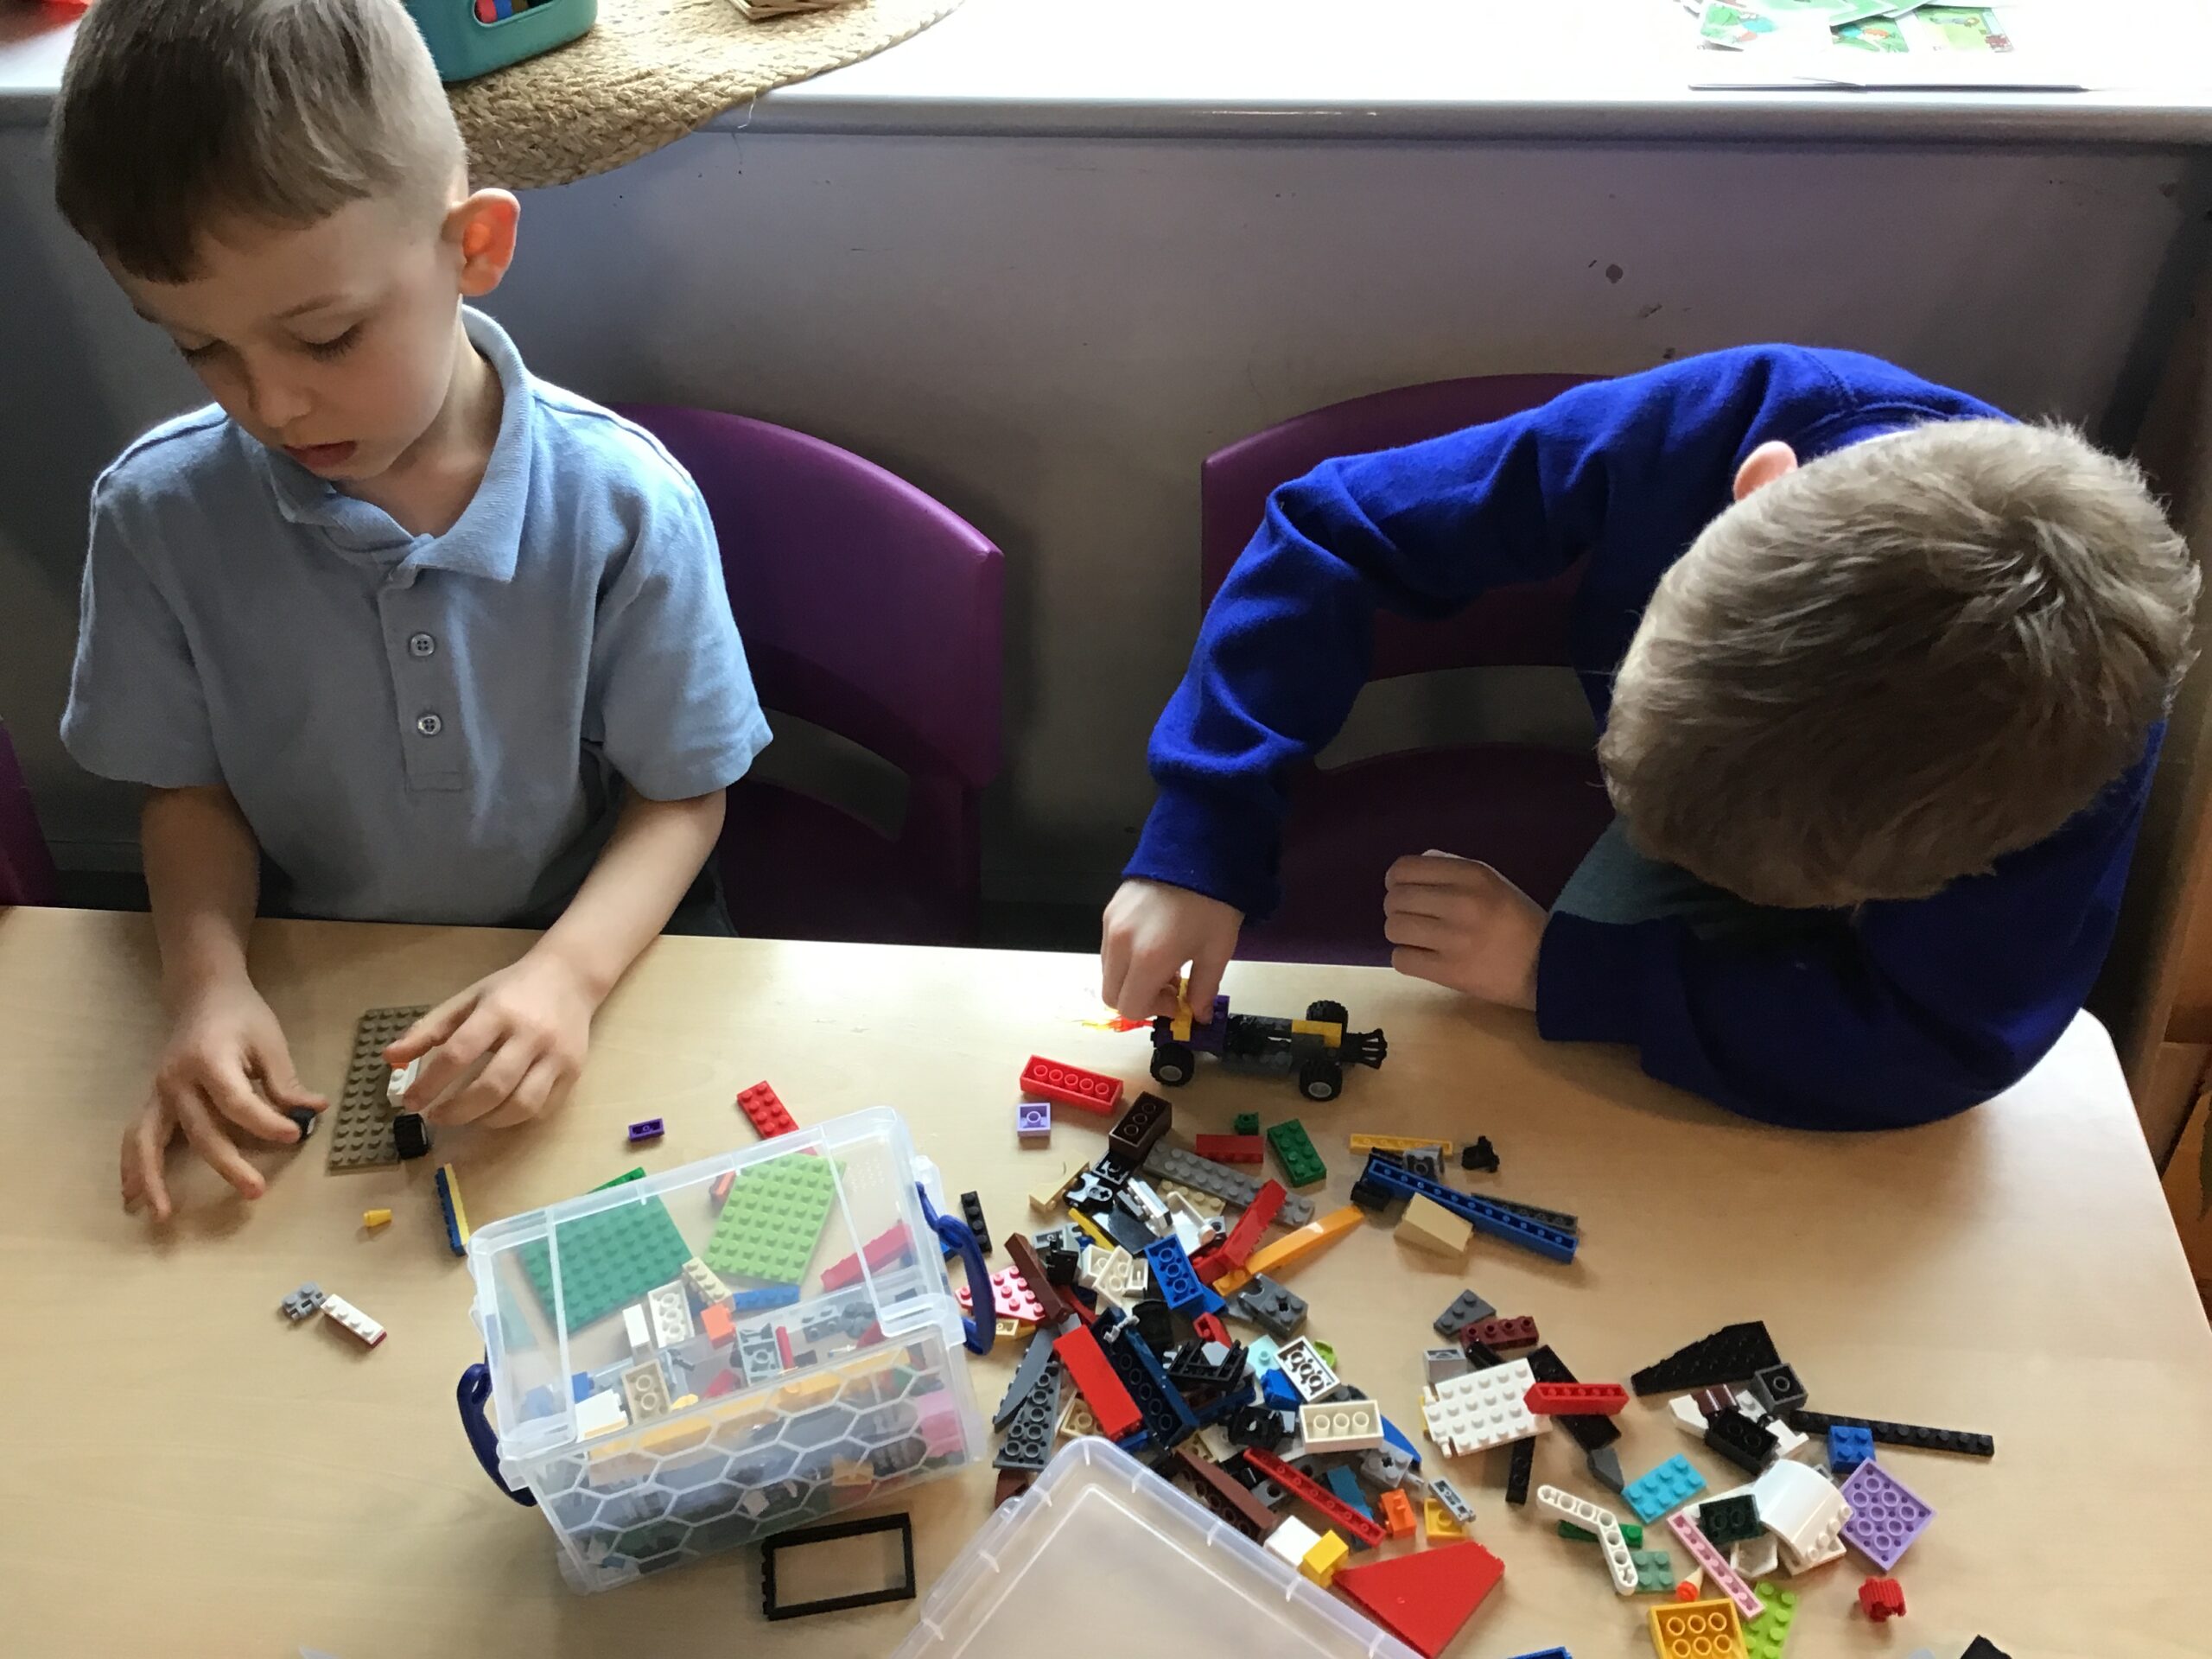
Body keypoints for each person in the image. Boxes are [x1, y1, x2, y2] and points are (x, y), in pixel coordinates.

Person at [52, 0, 770, 1218]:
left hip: (591, 955)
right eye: (198, 349)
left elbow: (682, 795)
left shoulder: (624, 506)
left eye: (326, 336)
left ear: (473, 247)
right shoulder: (156, 516)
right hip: (310, 968)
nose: (271, 405)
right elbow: (188, 793)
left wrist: (566, 978)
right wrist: (206, 984)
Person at [1101, 346, 2198, 1128]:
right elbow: (1332, 532)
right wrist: (1202, 838)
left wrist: (1565, 973)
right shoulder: (1712, 422)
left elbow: (1937, 1047)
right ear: (1751, 490)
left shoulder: (2073, 741)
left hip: (1878, 938)